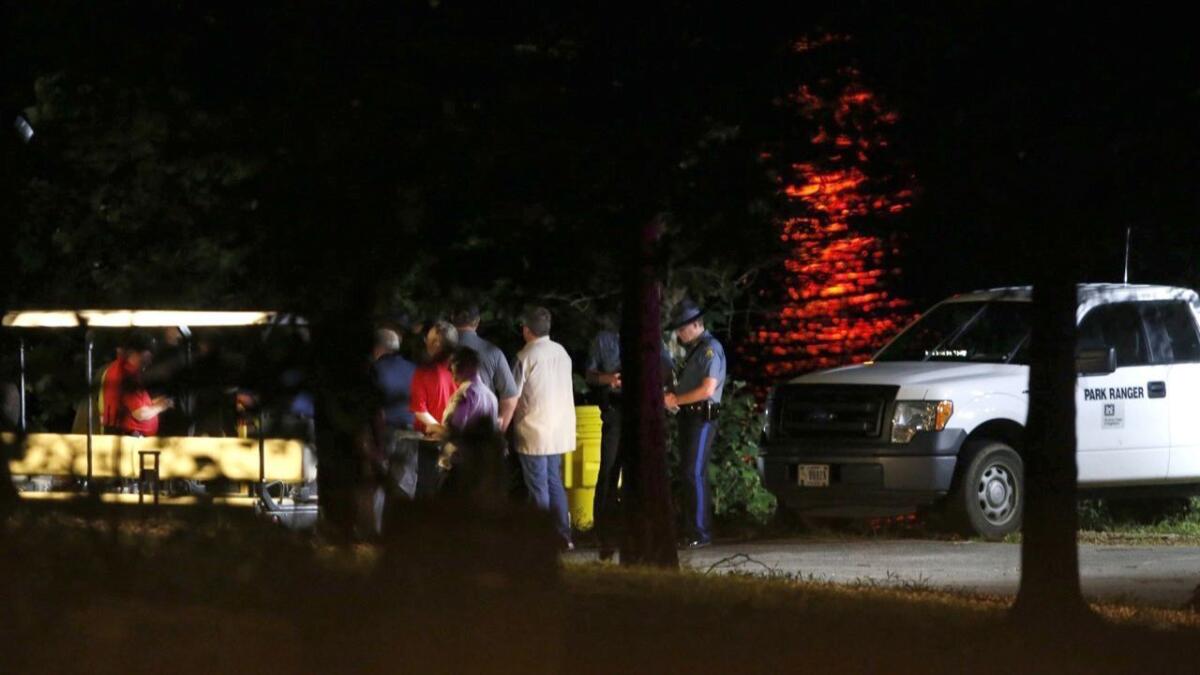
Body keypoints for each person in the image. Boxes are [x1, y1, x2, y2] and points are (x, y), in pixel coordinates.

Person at [511, 306, 576, 549]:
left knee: (538, 486)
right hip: (559, 429)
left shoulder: (524, 356)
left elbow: (512, 395)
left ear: (527, 330)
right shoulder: (562, 352)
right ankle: (563, 535)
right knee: (554, 482)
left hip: (534, 429)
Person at [663, 300, 726, 549]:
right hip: (689, 416)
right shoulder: (695, 349)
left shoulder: (710, 349)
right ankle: (693, 529)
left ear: (696, 324)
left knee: (693, 473)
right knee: (689, 474)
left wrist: (676, 398)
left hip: (702, 417)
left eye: (682, 328)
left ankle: (700, 532)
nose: (679, 333)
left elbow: (707, 388)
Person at [426, 346, 500, 493]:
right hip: (481, 465)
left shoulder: (466, 394)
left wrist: (433, 427)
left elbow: (454, 431)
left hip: (458, 466)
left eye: (453, 364)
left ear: (465, 366)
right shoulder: (490, 395)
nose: (449, 369)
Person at [585, 316, 623, 559]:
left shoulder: (653, 336)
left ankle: (630, 525)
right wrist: (610, 379)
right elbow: (590, 374)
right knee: (608, 471)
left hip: (642, 411)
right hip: (615, 410)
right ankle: (603, 531)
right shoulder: (603, 340)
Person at [450, 304, 519, 431]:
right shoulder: (493, 352)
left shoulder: (442, 350)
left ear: (452, 319)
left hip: (447, 429)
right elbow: (510, 398)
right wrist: (499, 430)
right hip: (482, 431)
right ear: (477, 322)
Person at [410, 320, 458, 497]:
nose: (425, 343)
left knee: (427, 492)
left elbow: (420, 410)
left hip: (431, 441)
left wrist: (441, 430)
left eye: (428, 339)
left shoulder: (424, 372)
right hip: (458, 441)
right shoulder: (463, 369)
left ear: (436, 345)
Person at [372, 328, 419, 499]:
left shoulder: (374, 370)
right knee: (405, 485)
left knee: (380, 487)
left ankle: (378, 525)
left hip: (386, 433)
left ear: (377, 348)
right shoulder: (415, 369)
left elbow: (375, 409)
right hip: (413, 434)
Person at [101, 331, 174, 437]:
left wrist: (154, 403)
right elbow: (140, 414)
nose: (150, 360)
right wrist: (162, 406)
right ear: (134, 353)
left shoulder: (123, 369)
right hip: (129, 438)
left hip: (126, 436)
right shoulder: (126, 375)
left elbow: (131, 404)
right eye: (148, 354)